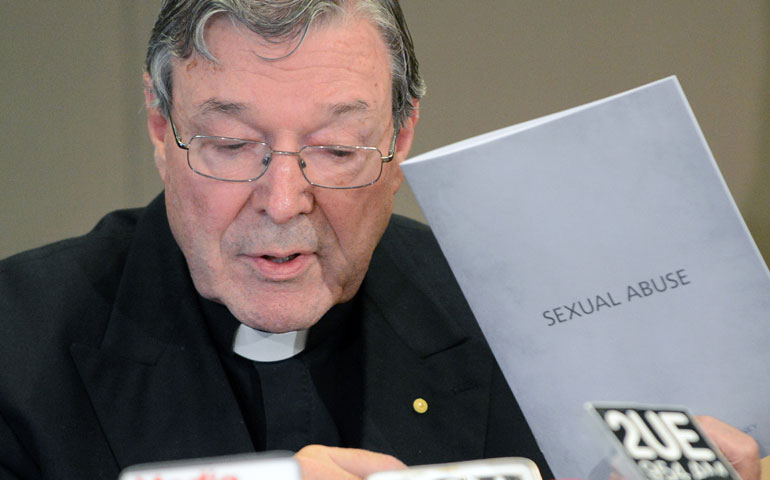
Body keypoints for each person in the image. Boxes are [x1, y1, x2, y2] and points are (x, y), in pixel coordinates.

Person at [0, 1, 760, 479]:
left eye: (337, 150)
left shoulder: (509, 317)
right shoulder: (14, 342)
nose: (284, 200)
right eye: (231, 144)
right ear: (163, 128)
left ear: (400, 138)